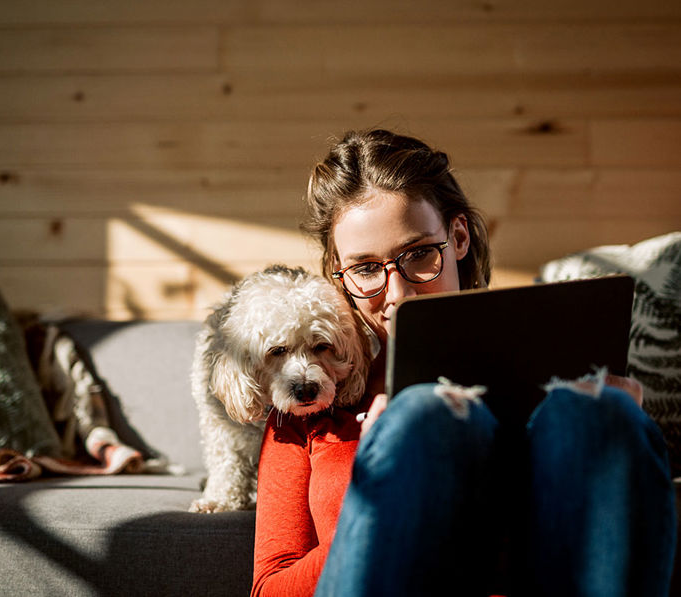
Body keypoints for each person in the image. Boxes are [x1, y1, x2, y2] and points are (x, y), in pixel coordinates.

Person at [250, 129, 676, 597]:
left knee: (600, 413)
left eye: (417, 255)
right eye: (366, 268)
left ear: (457, 237)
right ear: (340, 273)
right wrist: (376, 489)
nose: (399, 295)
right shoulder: (307, 408)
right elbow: (269, 588)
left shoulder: (558, 394)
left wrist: (623, 431)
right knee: (425, 416)